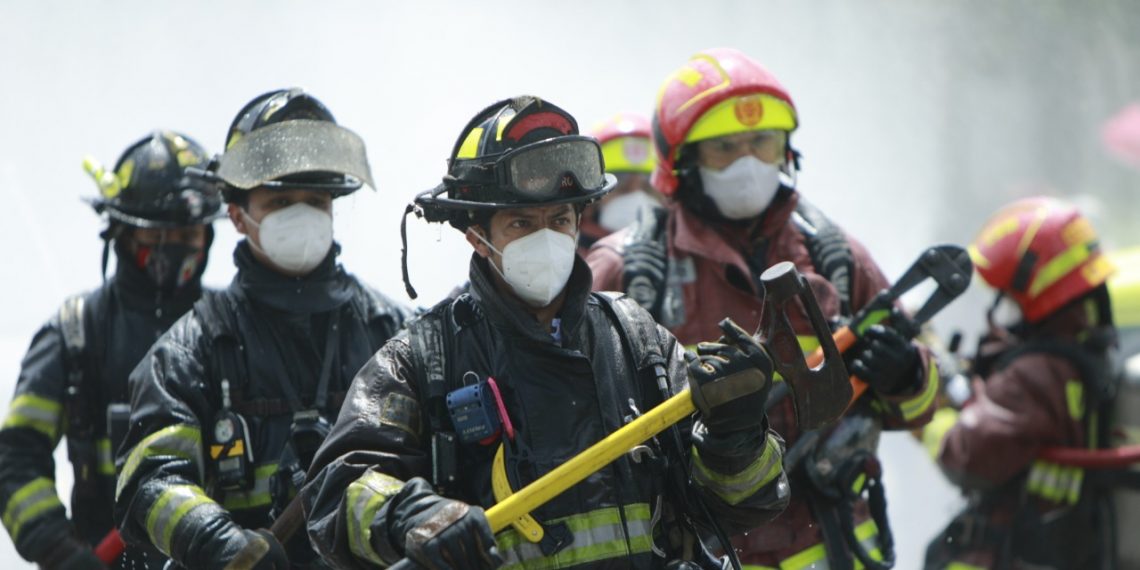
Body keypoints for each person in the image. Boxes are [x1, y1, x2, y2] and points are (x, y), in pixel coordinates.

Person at [303, 95, 790, 570]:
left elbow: (745, 505)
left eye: (559, 219)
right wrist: (411, 515)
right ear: (477, 235)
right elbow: (337, 493)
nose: (546, 238)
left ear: (580, 221)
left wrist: (736, 435)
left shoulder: (635, 338)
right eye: (520, 222)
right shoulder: (424, 358)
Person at [587, 47, 938, 568]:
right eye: (725, 147)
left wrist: (908, 375)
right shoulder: (627, 271)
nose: (748, 162)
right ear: (681, 161)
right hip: (705, 552)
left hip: (836, 545)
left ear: (786, 150)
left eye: (762, 142)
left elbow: (920, 410)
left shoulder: (833, 255)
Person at [112, 88, 411, 569]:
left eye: (315, 199)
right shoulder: (187, 354)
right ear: (236, 214)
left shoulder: (396, 336)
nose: (302, 215)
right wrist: (217, 542)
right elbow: (149, 484)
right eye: (281, 199)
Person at [0, 131, 222, 569]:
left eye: (189, 234)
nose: (177, 250)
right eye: (161, 237)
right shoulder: (77, 330)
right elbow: (16, 457)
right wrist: (58, 549)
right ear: (121, 234)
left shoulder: (230, 327)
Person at [923, 197, 1118, 569]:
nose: (1004, 308)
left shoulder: (1035, 374)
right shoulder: (1085, 352)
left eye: (1010, 298)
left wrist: (933, 412)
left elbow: (966, 456)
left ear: (1037, 289)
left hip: (1006, 556)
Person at [577, 112, 662, 254]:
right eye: (619, 178)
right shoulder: (566, 266)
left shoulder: (690, 260)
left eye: (649, 180)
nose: (636, 191)